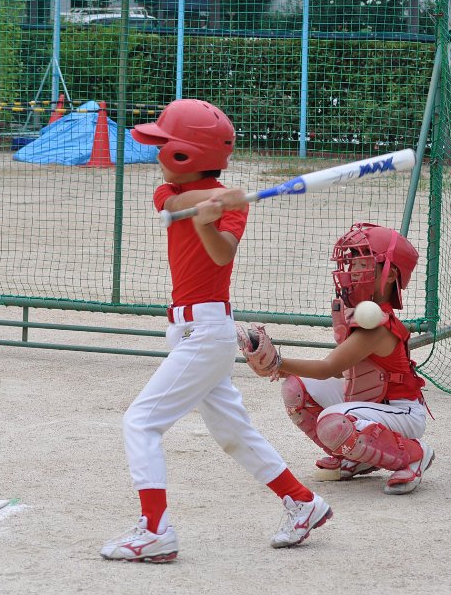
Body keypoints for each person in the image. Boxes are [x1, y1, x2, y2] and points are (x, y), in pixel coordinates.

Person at [100, 99, 332, 563]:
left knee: (141, 422)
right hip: (186, 330)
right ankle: (302, 502)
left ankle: (155, 530)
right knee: (233, 432)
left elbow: (222, 254)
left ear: (187, 153)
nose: (159, 153)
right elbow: (174, 203)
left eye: (166, 145)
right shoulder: (172, 192)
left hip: (207, 332)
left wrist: (212, 218)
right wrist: (208, 203)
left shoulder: (233, 206)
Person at [238, 222, 435, 496]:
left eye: (363, 263)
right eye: (352, 263)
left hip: (401, 412)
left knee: (333, 421)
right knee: (296, 389)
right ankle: (355, 456)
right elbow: (344, 372)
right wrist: (283, 370)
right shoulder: (360, 313)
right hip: (373, 402)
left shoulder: (378, 326)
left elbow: (328, 368)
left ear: (390, 275)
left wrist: (279, 363)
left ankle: (414, 455)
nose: (352, 271)